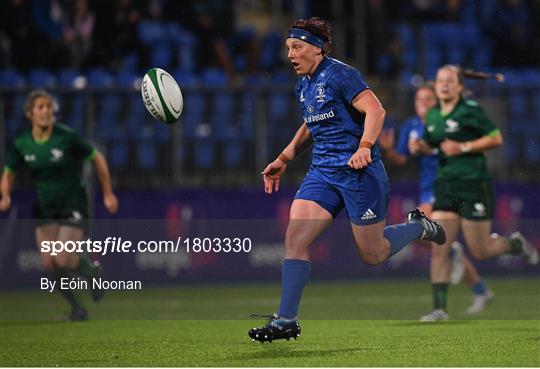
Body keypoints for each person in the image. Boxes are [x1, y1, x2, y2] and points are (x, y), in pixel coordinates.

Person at [248, 17, 446, 343]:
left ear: (317, 48)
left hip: (360, 173)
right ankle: (286, 320)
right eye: (288, 48)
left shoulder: (341, 75)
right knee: (295, 237)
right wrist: (284, 159)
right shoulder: (304, 83)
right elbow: (312, 124)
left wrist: (365, 146)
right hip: (323, 172)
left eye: (297, 47)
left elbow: (376, 111)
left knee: (373, 254)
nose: (290, 54)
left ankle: (418, 227)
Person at [409, 65, 538, 321]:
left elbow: (495, 138)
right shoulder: (433, 116)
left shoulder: (470, 111)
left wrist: (464, 145)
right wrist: (419, 146)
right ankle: (439, 308)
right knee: (440, 246)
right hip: (446, 187)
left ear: (458, 86)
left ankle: (514, 244)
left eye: (450, 81)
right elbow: (431, 145)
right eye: (441, 81)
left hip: (473, 185)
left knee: (480, 250)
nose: (444, 84)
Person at [0, 89, 119, 321]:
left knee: (63, 257)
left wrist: (108, 193)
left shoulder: (66, 137)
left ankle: (93, 273)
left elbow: (97, 157)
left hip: (72, 202)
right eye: (40, 107)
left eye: (48, 107)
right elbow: (9, 172)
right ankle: (77, 309)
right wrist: (5, 195)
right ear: (29, 113)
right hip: (45, 207)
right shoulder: (23, 143)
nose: (46, 111)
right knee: (49, 263)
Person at [379, 84, 495, 314]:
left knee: (418, 226)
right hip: (426, 188)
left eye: (428, 98)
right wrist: (390, 150)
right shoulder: (412, 125)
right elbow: (401, 159)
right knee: (437, 243)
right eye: (419, 98)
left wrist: (425, 147)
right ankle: (480, 289)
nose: (422, 102)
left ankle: (441, 306)